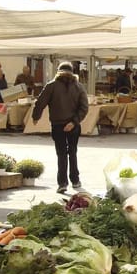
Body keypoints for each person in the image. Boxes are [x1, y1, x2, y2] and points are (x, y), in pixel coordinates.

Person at [32, 62, 89, 194]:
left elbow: (40, 102)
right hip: (73, 126)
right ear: (72, 72)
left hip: (57, 125)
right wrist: (74, 122)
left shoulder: (51, 86)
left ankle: (62, 183)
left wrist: (36, 116)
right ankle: (75, 180)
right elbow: (84, 108)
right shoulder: (79, 87)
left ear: (58, 71)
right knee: (73, 151)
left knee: (61, 153)